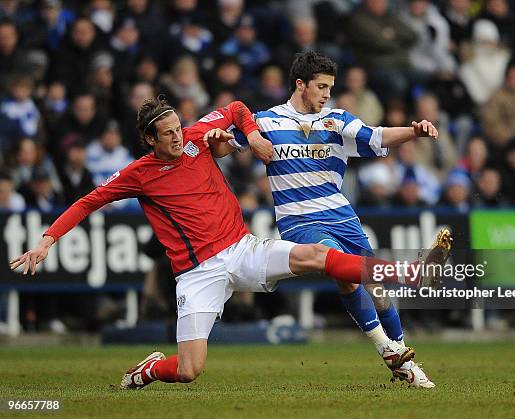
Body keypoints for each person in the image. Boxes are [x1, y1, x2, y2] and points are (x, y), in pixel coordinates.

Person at [10, 96, 449, 390]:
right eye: (168, 134)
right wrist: (48, 240)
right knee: (188, 370)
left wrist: (252, 134)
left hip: (242, 249)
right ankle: (148, 369)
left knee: (319, 257)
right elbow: (87, 202)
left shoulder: (199, 137)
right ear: (150, 140)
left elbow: (237, 108)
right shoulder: (137, 174)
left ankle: (408, 271)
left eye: (179, 128)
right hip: (198, 273)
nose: (179, 137)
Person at [229, 52, 450, 384]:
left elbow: (376, 137)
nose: (326, 94)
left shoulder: (337, 120)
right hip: (300, 222)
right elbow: (226, 143)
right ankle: (387, 349)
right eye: (321, 87)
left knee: (377, 288)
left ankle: (402, 359)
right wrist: (220, 138)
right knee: (341, 270)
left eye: (330, 88)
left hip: (343, 216)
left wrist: (413, 131)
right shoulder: (267, 122)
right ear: (300, 85)